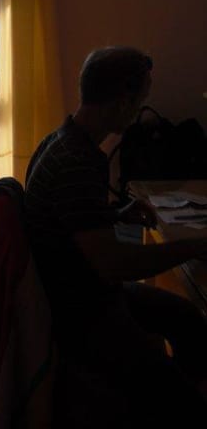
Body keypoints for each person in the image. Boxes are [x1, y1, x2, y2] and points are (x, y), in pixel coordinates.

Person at [24, 46, 207, 428]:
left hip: (79, 292)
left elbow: (71, 225)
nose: (139, 111)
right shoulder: (78, 162)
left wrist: (114, 214)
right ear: (122, 103)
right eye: (140, 101)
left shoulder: (60, 140)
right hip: (83, 314)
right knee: (186, 401)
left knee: (188, 319)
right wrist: (192, 246)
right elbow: (113, 265)